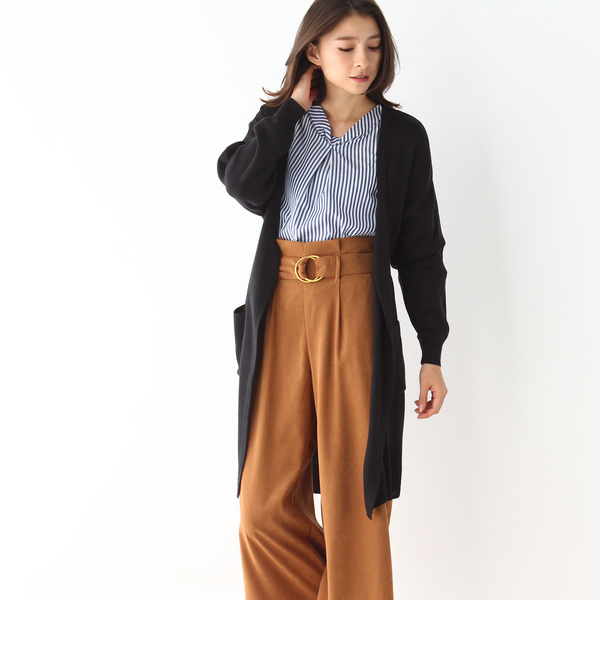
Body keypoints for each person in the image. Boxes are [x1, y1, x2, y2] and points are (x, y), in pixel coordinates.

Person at [216, 0, 449, 600]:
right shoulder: (284, 124)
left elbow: (421, 250)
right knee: (261, 507)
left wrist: (432, 350)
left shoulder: (402, 136)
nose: (362, 60)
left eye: (373, 45)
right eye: (345, 47)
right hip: (281, 303)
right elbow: (240, 182)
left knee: (355, 499)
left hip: (356, 303)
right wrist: (291, 108)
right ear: (313, 52)